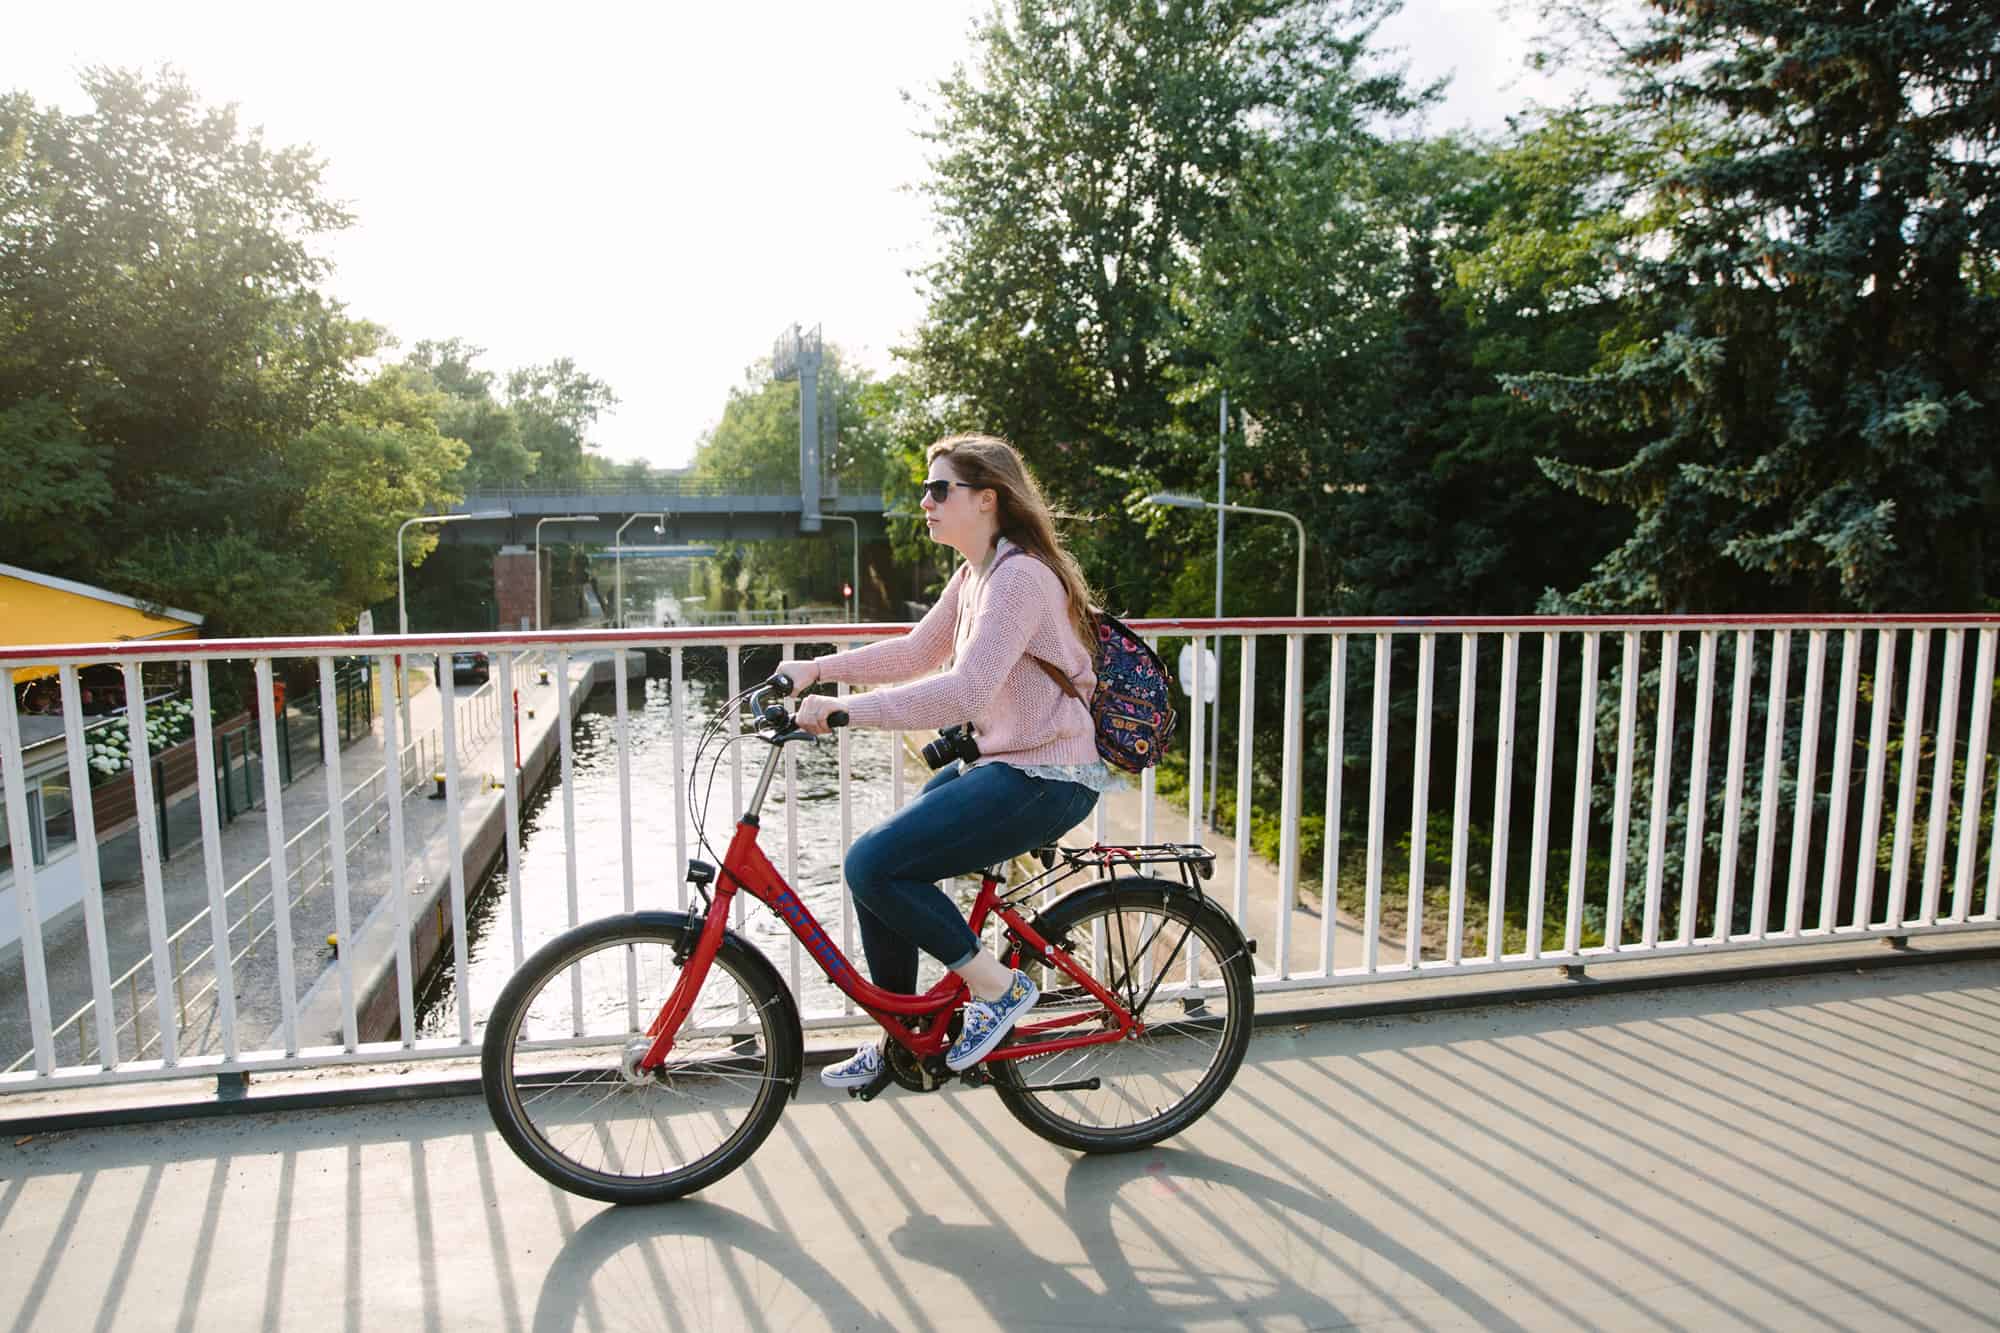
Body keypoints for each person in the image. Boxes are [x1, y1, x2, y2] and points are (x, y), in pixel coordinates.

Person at [777, 433, 1113, 1088]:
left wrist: (846, 712)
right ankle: (905, 1040)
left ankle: (999, 990)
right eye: (925, 490)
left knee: (872, 863)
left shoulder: (1018, 578)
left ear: (987, 499)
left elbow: (964, 690)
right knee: (878, 868)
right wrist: (817, 668)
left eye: (939, 489)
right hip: (1006, 765)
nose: (925, 501)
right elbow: (912, 653)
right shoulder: (977, 574)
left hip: (1048, 776)